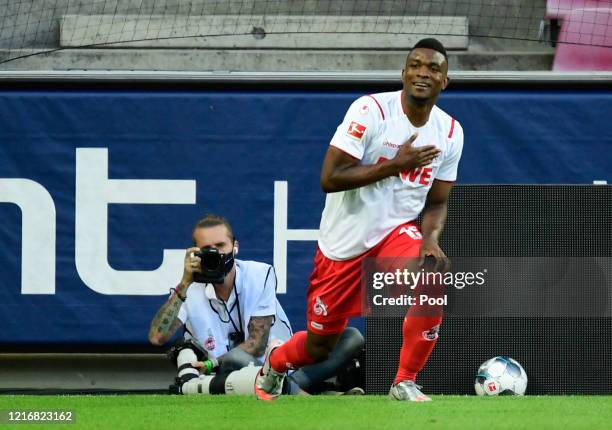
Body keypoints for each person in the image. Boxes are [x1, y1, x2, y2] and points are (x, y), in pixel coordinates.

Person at [255, 38, 464, 402]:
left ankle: (405, 381)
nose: (423, 72)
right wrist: (395, 166)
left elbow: (437, 201)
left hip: (395, 234)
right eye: (415, 64)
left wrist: (429, 238)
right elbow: (329, 178)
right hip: (342, 246)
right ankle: (276, 361)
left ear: (445, 81)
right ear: (403, 73)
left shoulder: (449, 133)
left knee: (433, 275)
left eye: (433, 68)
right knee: (320, 347)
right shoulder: (371, 111)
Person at [148, 214, 364, 395]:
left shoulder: (259, 273)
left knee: (352, 337)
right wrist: (185, 282)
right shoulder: (188, 290)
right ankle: (313, 395)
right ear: (196, 253)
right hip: (233, 376)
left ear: (235, 247)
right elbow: (157, 337)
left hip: (284, 367)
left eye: (221, 246)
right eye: (207, 249)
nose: (216, 254)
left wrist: (210, 363)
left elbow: (257, 345)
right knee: (235, 358)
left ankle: (294, 389)